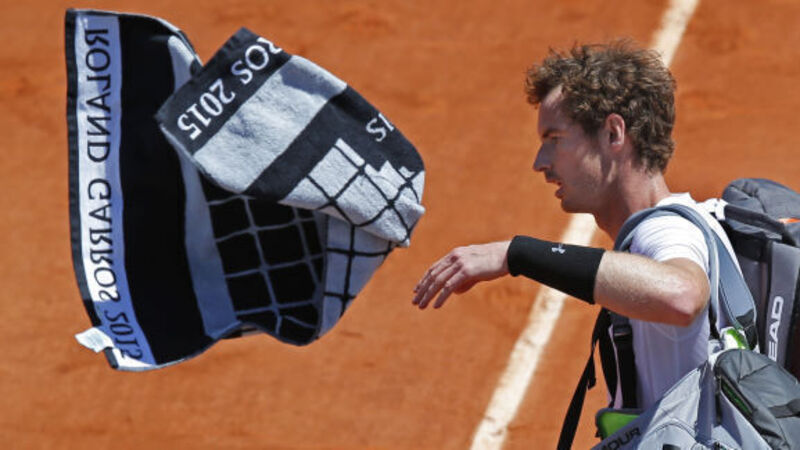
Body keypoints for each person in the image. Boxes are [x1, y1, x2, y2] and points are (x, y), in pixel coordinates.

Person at [411, 39, 742, 412]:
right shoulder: (696, 219)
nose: (540, 162)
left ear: (613, 134)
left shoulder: (666, 231)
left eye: (555, 140)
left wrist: (517, 254)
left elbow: (682, 294)